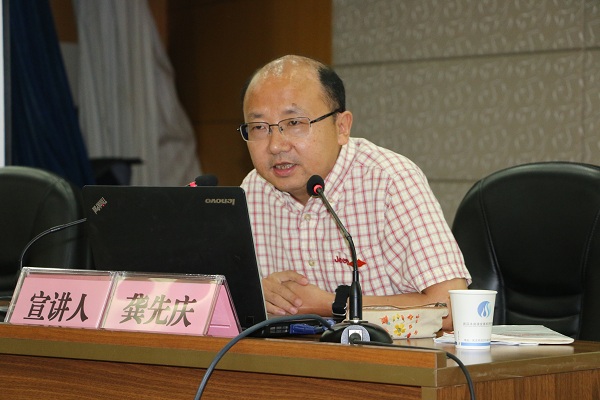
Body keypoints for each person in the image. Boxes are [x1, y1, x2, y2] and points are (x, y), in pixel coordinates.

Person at [239, 55, 470, 330]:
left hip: (389, 355)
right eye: (259, 127)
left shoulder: (389, 181)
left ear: (342, 127)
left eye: (294, 123)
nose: (276, 145)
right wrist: (254, 296)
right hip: (295, 354)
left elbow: (451, 308)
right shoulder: (252, 190)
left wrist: (332, 304)